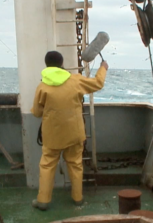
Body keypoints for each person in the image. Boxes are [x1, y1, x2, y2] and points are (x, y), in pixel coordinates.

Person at [31, 51, 108, 211]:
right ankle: (77, 198)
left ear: (46, 65)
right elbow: (98, 84)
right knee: (75, 164)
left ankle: (43, 200)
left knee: (47, 165)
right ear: (62, 63)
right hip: (74, 133)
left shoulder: (42, 86)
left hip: (52, 135)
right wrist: (103, 68)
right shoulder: (75, 80)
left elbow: (37, 113)